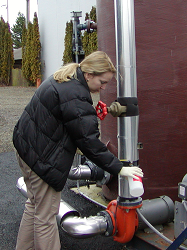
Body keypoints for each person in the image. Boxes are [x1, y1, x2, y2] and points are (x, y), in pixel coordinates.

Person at [13, 51, 143, 250]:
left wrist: (88, 116)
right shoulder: (76, 94)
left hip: (27, 149)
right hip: (41, 159)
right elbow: (89, 141)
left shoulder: (67, 78)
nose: (104, 87)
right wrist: (119, 168)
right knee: (46, 216)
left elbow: (70, 120)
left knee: (34, 205)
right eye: (102, 81)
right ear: (89, 74)